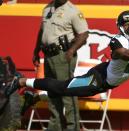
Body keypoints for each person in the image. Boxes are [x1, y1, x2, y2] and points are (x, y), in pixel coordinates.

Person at [5, 10, 129, 116]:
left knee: (68, 92)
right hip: (99, 79)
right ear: (120, 27)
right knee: (62, 88)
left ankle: (34, 97)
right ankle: (21, 81)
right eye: (126, 24)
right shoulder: (117, 42)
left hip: (107, 77)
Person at [31, 0, 88, 131]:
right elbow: (42, 31)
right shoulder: (47, 8)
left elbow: (84, 34)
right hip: (48, 54)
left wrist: (72, 50)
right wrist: (36, 51)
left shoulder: (73, 11)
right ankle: (54, 126)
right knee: (52, 91)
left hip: (63, 55)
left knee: (67, 92)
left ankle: (72, 127)